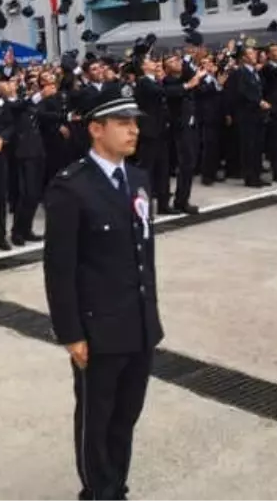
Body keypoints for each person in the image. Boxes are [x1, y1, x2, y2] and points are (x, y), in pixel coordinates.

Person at [43, 85, 161, 501]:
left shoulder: (139, 179)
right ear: (96, 129)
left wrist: (151, 319)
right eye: (123, 124)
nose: (133, 132)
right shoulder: (71, 187)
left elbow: (142, 256)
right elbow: (60, 268)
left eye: (135, 124)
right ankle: (99, 492)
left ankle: (117, 487)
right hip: (98, 331)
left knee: (126, 418)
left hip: (139, 324)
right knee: (96, 421)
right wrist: (71, 332)